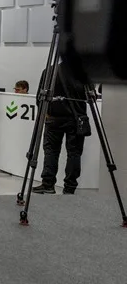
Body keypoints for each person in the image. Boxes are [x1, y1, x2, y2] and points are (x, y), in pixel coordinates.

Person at [34, 62, 88, 195]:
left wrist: (45, 113)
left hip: (53, 118)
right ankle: (70, 188)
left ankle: (48, 184)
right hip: (76, 119)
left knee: (51, 151)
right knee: (74, 153)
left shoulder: (49, 70)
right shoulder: (83, 72)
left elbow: (40, 97)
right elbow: (90, 96)